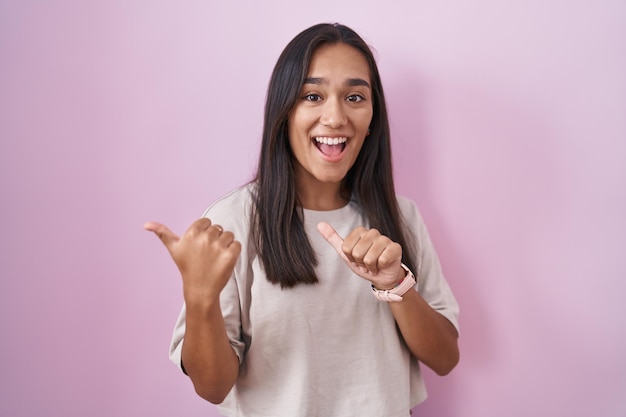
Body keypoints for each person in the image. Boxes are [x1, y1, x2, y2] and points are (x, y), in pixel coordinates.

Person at [145, 22, 459, 417]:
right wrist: (200, 298)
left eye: (355, 97)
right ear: (285, 110)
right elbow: (211, 387)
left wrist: (396, 283)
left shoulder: (401, 217)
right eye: (313, 95)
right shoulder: (234, 221)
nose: (335, 117)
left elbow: (445, 358)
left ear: (372, 116)